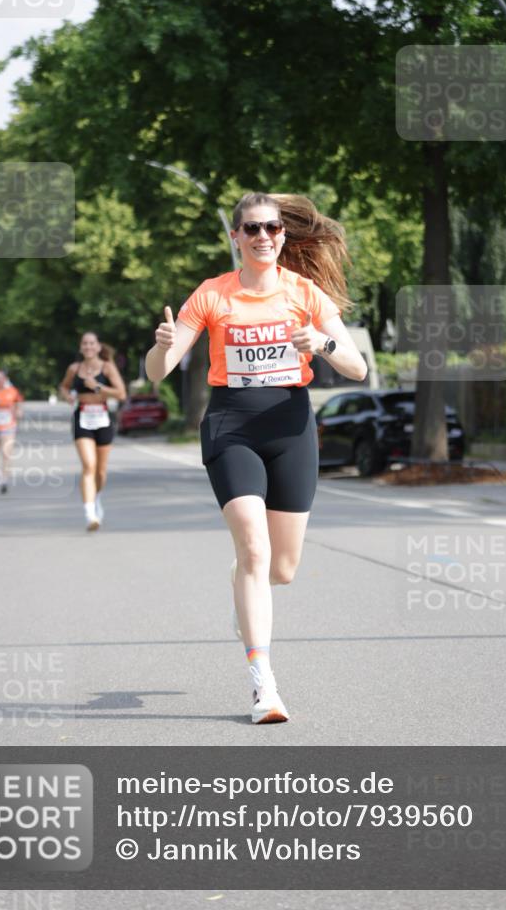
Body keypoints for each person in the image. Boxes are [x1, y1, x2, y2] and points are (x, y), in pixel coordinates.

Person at [145, 192, 367, 724]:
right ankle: (263, 684)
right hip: (232, 425)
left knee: (281, 569)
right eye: (251, 229)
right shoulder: (213, 295)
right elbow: (159, 371)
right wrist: (161, 345)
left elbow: (357, 368)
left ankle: (248, 588)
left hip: (290, 425)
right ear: (235, 237)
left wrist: (323, 343)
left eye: (271, 227)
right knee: (252, 544)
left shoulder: (304, 293)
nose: (262, 236)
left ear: (283, 236)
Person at [59, 333, 126, 531]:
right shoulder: (74, 368)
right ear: (81, 348)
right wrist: (67, 396)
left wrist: (97, 386)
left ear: (98, 347)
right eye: (85, 343)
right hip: (82, 418)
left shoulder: (107, 367)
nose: (88, 346)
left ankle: (96, 498)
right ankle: (90, 514)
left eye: (92, 343)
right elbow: (63, 387)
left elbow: (121, 393)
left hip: (103, 419)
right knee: (89, 465)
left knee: (100, 471)